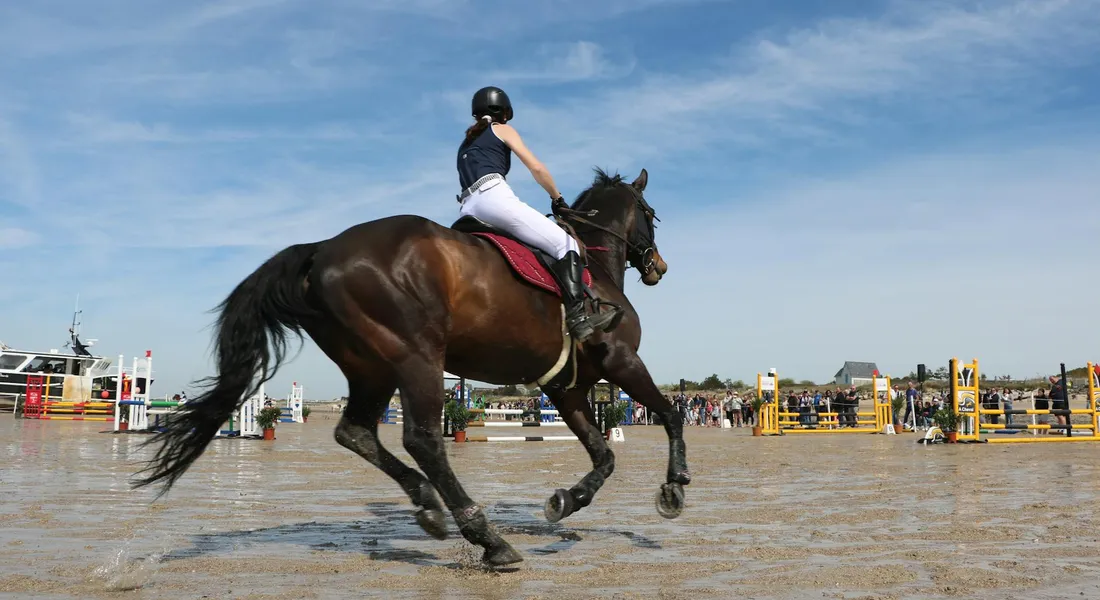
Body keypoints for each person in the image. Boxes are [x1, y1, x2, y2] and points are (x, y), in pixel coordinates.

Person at [456, 86, 617, 341]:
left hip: (467, 207)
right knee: (567, 245)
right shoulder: (502, 129)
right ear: (505, 113)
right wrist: (557, 198)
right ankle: (578, 318)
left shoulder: (466, 142)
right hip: (494, 198)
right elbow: (537, 168)